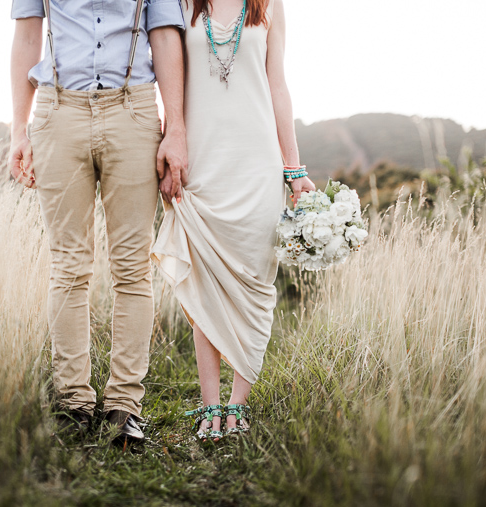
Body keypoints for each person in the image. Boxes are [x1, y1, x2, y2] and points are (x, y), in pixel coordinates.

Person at [8, 0, 188, 445]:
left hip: (133, 110)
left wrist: (177, 129)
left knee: (132, 266)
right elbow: (28, 34)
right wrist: (18, 128)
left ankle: (124, 407)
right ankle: (73, 403)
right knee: (68, 265)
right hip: (57, 112)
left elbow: (165, 33)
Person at [151, 0, 315, 441]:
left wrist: (294, 169)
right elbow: (171, 81)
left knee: (256, 284)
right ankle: (210, 405)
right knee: (205, 280)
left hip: (256, 164)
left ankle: (237, 404)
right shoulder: (181, 3)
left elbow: (277, 85)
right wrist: (171, 143)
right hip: (202, 163)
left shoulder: (269, 5)